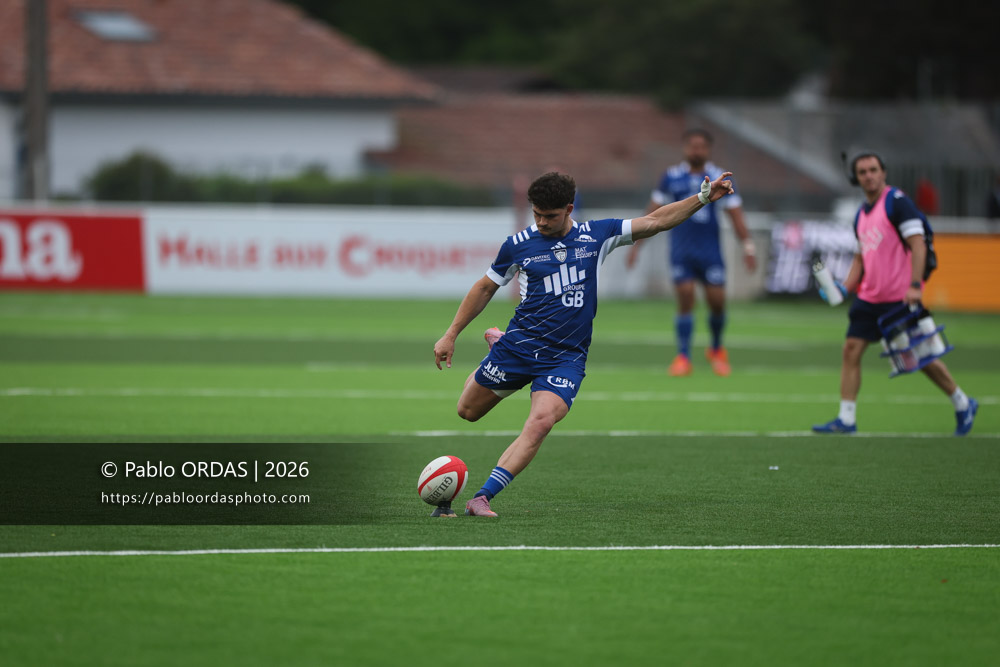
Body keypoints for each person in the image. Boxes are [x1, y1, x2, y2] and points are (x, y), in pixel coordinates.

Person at [433, 170, 736, 517]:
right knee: (467, 412)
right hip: (519, 346)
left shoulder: (597, 234)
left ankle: (482, 497)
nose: (542, 222)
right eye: (537, 214)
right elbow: (486, 287)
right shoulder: (518, 245)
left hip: (565, 358)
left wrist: (701, 199)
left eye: (550, 215)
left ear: (569, 208)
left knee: (542, 421)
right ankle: (498, 344)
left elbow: (655, 221)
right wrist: (451, 333)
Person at [812, 153, 978, 436]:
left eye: (873, 170)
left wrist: (915, 285)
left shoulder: (897, 203)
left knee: (919, 358)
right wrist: (844, 288)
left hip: (899, 298)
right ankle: (846, 419)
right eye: (862, 171)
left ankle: (962, 402)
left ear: (883, 172)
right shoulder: (861, 214)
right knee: (851, 350)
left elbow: (918, 245)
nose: (869, 175)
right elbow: (861, 258)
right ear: (856, 178)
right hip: (869, 298)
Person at [625, 128, 756, 377]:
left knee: (717, 302)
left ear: (708, 149)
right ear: (685, 148)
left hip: (710, 251)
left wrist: (748, 247)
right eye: (692, 146)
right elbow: (652, 214)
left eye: (701, 146)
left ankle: (716, 349)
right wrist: (636, 245)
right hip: (681, 250)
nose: (696, 150)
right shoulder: (670, 177)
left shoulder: (720, 177)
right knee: (685, 298)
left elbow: (735, 214)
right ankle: (683, 356)